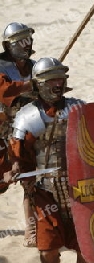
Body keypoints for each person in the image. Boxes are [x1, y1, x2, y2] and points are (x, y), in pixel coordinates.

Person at [4, 57, 94, 263]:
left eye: (60, 78)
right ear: (39, 84)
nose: (57, 84)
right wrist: (15, 169)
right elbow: (18, 155)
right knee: (47, 253)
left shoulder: (78, 108)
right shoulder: (26, 116)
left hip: (80, 188)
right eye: (51, 79)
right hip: (46, 192)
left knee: (87, 249)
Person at [0, 22, 36, 247]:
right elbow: (4, 90)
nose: (27, 44)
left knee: (32, 180)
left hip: (26, 129)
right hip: (2, 130)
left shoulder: (34, 66)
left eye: (28, 39)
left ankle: (31, 228)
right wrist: (28, 85)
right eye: (21, 40)